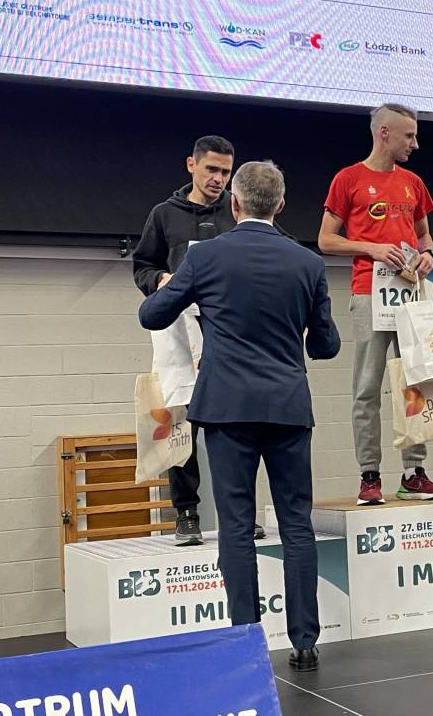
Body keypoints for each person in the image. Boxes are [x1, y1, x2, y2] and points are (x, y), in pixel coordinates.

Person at [138, 161, 340, 672]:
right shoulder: (307, 262)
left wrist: (184, 289)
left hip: (226, 410)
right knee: (296, 524)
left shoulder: (206, 257)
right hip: (288, 407)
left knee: (235, 526)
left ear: (235, 203)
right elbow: (326, 345)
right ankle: (305, 642)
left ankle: (245, 641)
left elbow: (151, 315)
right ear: (281, 204)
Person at [132, 135, 265, 545]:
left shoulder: (239, 212)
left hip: (229, 332)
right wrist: (160, 279)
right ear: (191, 165)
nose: (218, 179)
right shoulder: (164, 214)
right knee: (179, 421)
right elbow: (142, 265)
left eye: (226, 172)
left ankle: (240, 513)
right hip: (179, 332)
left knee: (235, 427)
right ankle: (186, 513)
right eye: (211, 169)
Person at [318, 103, 433, 506]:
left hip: (411, 293)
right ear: (384, 133)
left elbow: (425, 236)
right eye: (409, 136)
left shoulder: (413, 182)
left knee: (416, 381)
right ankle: (369, 475)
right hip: (368, 292)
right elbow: (326, 240)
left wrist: (428, 255)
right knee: (367, 387)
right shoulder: (348, 178)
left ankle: (414, 473)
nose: (415, 143)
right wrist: (371, 248)